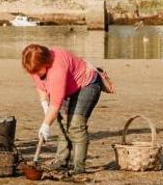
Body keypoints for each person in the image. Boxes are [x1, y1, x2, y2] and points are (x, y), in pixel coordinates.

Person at [22, 44, 114, 175]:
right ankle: (61, 161)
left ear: (46, 63)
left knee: (76, 125)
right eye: (32, 72)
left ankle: (79, 167)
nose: (35, 74)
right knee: (62, 124)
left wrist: (45, 125)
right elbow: (40, 86)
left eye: (37, 71)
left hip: (87, 84)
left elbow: (55, 104)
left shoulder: (57, 69)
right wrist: (44, 105)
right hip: (70, 87)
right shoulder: (34, 66)